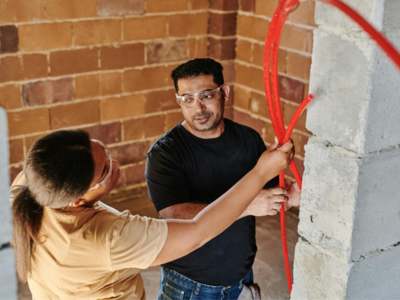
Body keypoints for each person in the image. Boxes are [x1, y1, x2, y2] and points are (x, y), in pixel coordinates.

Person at [10, 129, 293, 299]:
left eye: (105, 151)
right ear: (76, 200)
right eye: (105, 170)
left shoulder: (29, 185)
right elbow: (197, 232)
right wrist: (260, 173)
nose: (115, 163)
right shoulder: (107, 238)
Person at [145, 58, 301, 299]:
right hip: (190, 285)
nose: (198, 108)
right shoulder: (165, 153)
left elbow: (269, 194)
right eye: (187, 99)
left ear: (224, 93)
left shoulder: (248, 140)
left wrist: (291, 196)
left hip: (241, 276)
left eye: (206, 95)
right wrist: (249, 205)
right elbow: (175, 216)